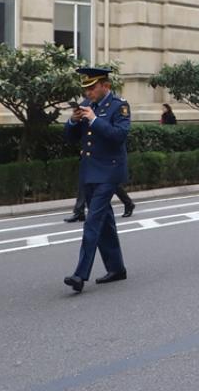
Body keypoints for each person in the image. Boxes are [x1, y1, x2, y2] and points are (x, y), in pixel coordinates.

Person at [62, 67, 131, 294]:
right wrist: (73, 121)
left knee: (92, 222)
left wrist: (93, 120)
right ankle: (116, 268)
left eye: (92, 88)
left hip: (110, 171)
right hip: (90, 172)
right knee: (105, 222)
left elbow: (119, 136)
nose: (88, 92)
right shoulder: (86, 105)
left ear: (105, 86)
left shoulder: (119, 106)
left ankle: (80, 275)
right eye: (86, 89)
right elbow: (70, 138)